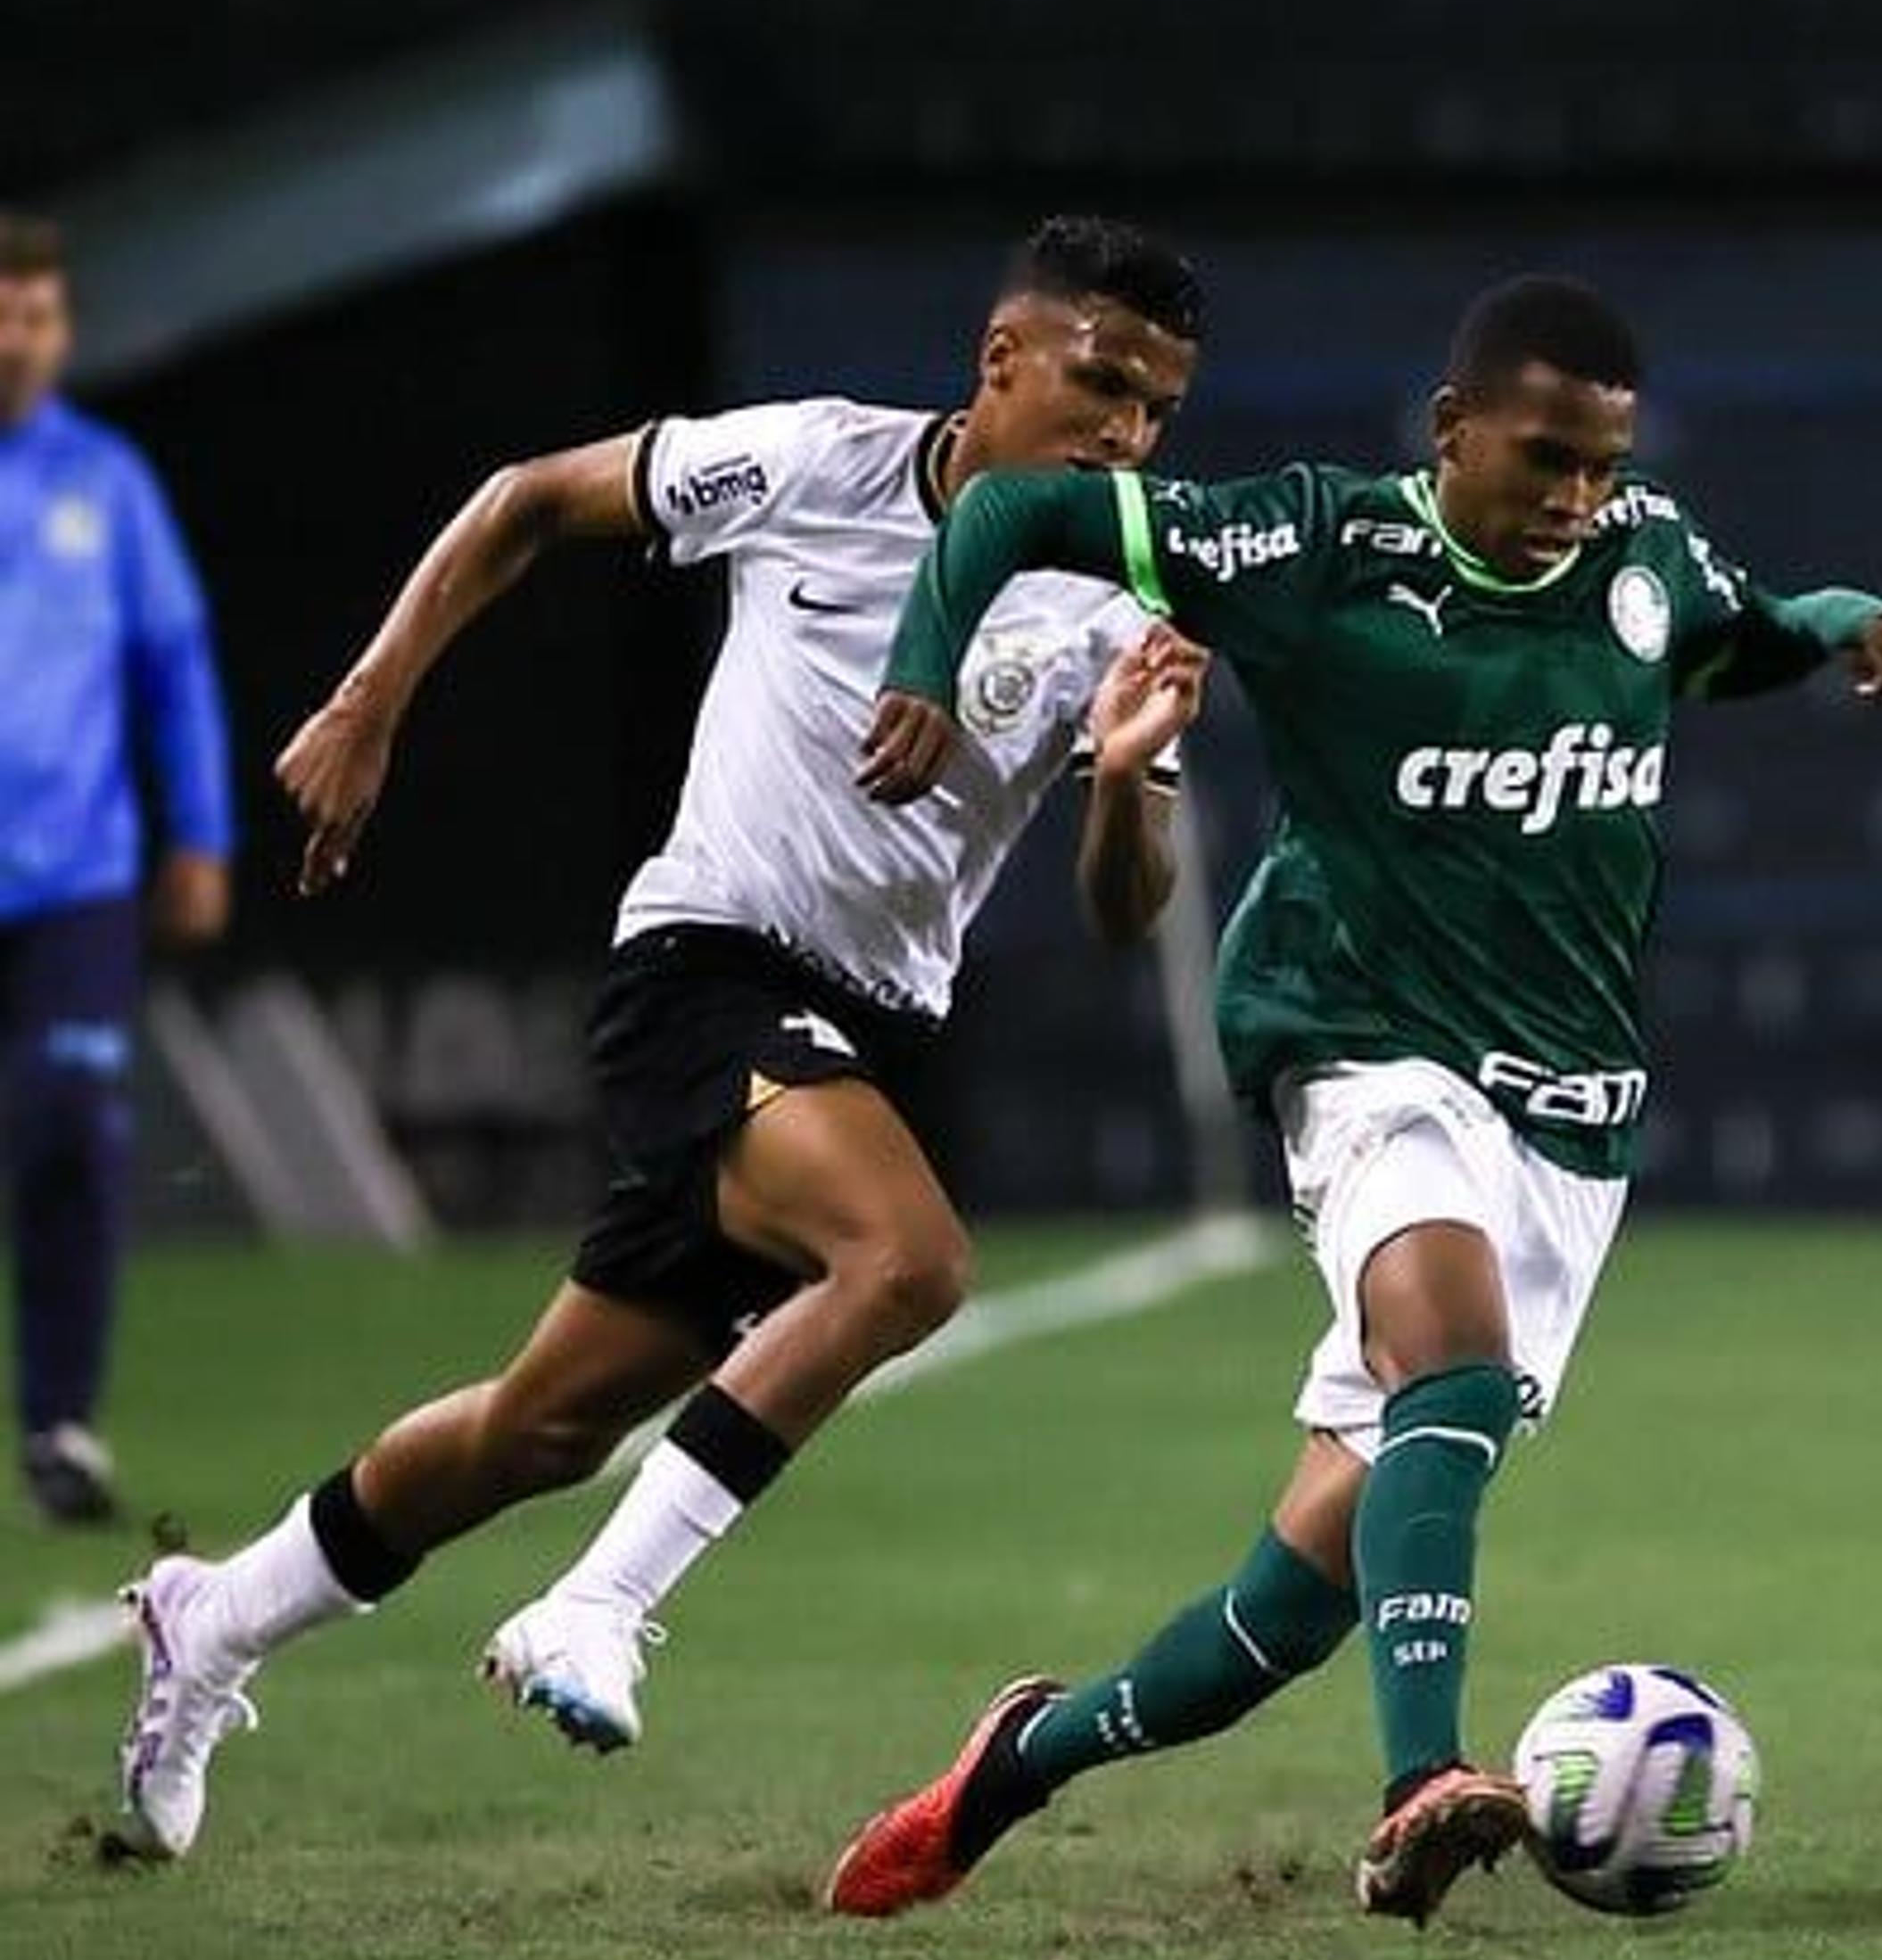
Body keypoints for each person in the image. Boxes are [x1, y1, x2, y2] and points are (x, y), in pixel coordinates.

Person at [822, 275, 1882, 1927]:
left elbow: (1754, 626)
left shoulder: (1643, 561)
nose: (1573, 497)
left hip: (1572, 1112)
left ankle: (1011, 1766)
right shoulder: (1313, 549)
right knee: (1456, 1362)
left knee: (1285, 1612)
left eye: (1599, 465)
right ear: (1452, 429)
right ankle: (1422, 1785)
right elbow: (1013, 507)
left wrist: (1862, 620)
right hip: (1361, 1037)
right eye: (1543, 458)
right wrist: (923, 661)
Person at [111, 217, 1215, 1862]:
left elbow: (1130, 909)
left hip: (862, 1034)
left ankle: (213, 1620)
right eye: (1101, 382)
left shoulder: (1109, 605)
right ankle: (599, 1611)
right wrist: (371, 699)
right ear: (1002, 360)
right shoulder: (812, 466)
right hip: (703, 969)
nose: (1125, 433)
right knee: (907, 1261)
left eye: (1157, 412)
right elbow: (529, 500)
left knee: (538, 1427)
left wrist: (1124, 778)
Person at [0, 213, 235, 1527]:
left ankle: (60, 1423)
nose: (17, 337)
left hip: (77, 875)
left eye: (37, 313)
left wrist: (199, 833)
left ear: (64, 330)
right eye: (1, 309)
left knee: (70, 1129)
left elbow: (174, 668)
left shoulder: (107, 484)